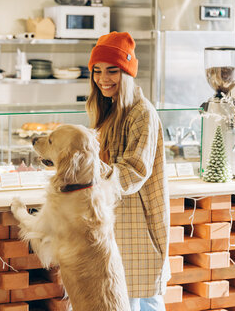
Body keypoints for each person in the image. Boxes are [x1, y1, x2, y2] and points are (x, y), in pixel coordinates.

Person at [86, 32, 170, 311]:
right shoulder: (109, 111)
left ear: (128, 72)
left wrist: (84, 166)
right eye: (97, 71)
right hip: (114, 227)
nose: (103, 78)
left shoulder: (142, 113)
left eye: (113, 71)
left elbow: (133, 172)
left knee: (139, 300)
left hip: (138, 230)